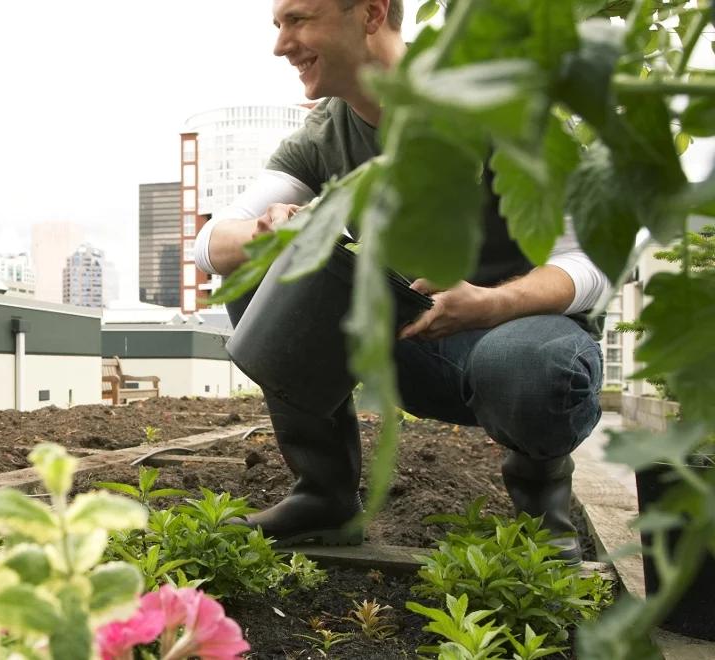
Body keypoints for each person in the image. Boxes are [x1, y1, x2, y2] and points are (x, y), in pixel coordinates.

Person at [197, 0, 607, 561]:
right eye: (278, 25)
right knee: (260, 262)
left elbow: (594, 262)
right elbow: (211, 245)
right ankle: (325, 496)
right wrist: (265, 230)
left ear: (369, 14)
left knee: (529, 364)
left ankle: (542, 510)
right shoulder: (326, 132)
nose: (281, 45)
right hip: (410, 338)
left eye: (298, 20)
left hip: (518, 345)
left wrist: (491, 303)